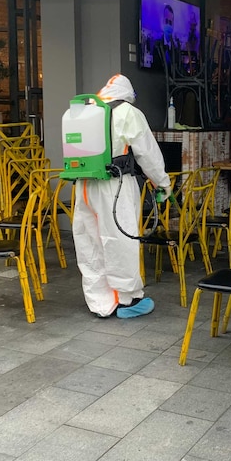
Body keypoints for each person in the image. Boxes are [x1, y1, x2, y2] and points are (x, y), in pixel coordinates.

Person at [71, 74, 172, 319]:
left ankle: (99, 302)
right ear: (128, 94)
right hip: (114, 184)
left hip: (83, 184)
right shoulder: (128, 112)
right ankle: (127, 300)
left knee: (90, 241)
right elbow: (147, 153)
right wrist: (162, 183)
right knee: (119, 239)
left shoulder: (86, 110)